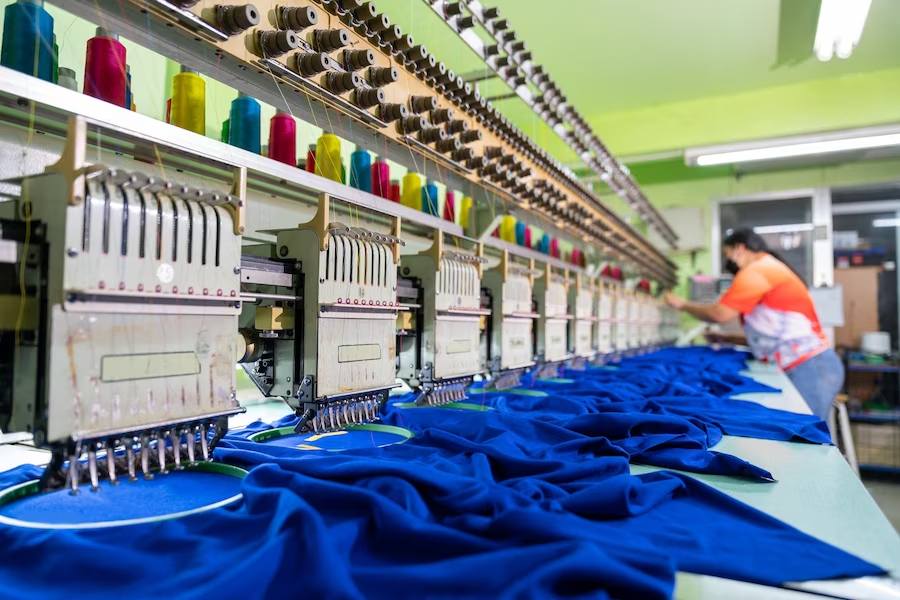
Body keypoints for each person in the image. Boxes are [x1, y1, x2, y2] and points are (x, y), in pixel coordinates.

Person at [664, 228, 844, 421]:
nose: (729, 262)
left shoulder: (759, 270)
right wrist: (728, 338)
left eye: (727, 255)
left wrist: (682, 304)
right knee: (801, 431)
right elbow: (773, 337)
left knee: (806, 435)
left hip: (810, 366)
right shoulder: (769, 268)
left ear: (739, 249)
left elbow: (720, 314)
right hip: (808, 365)